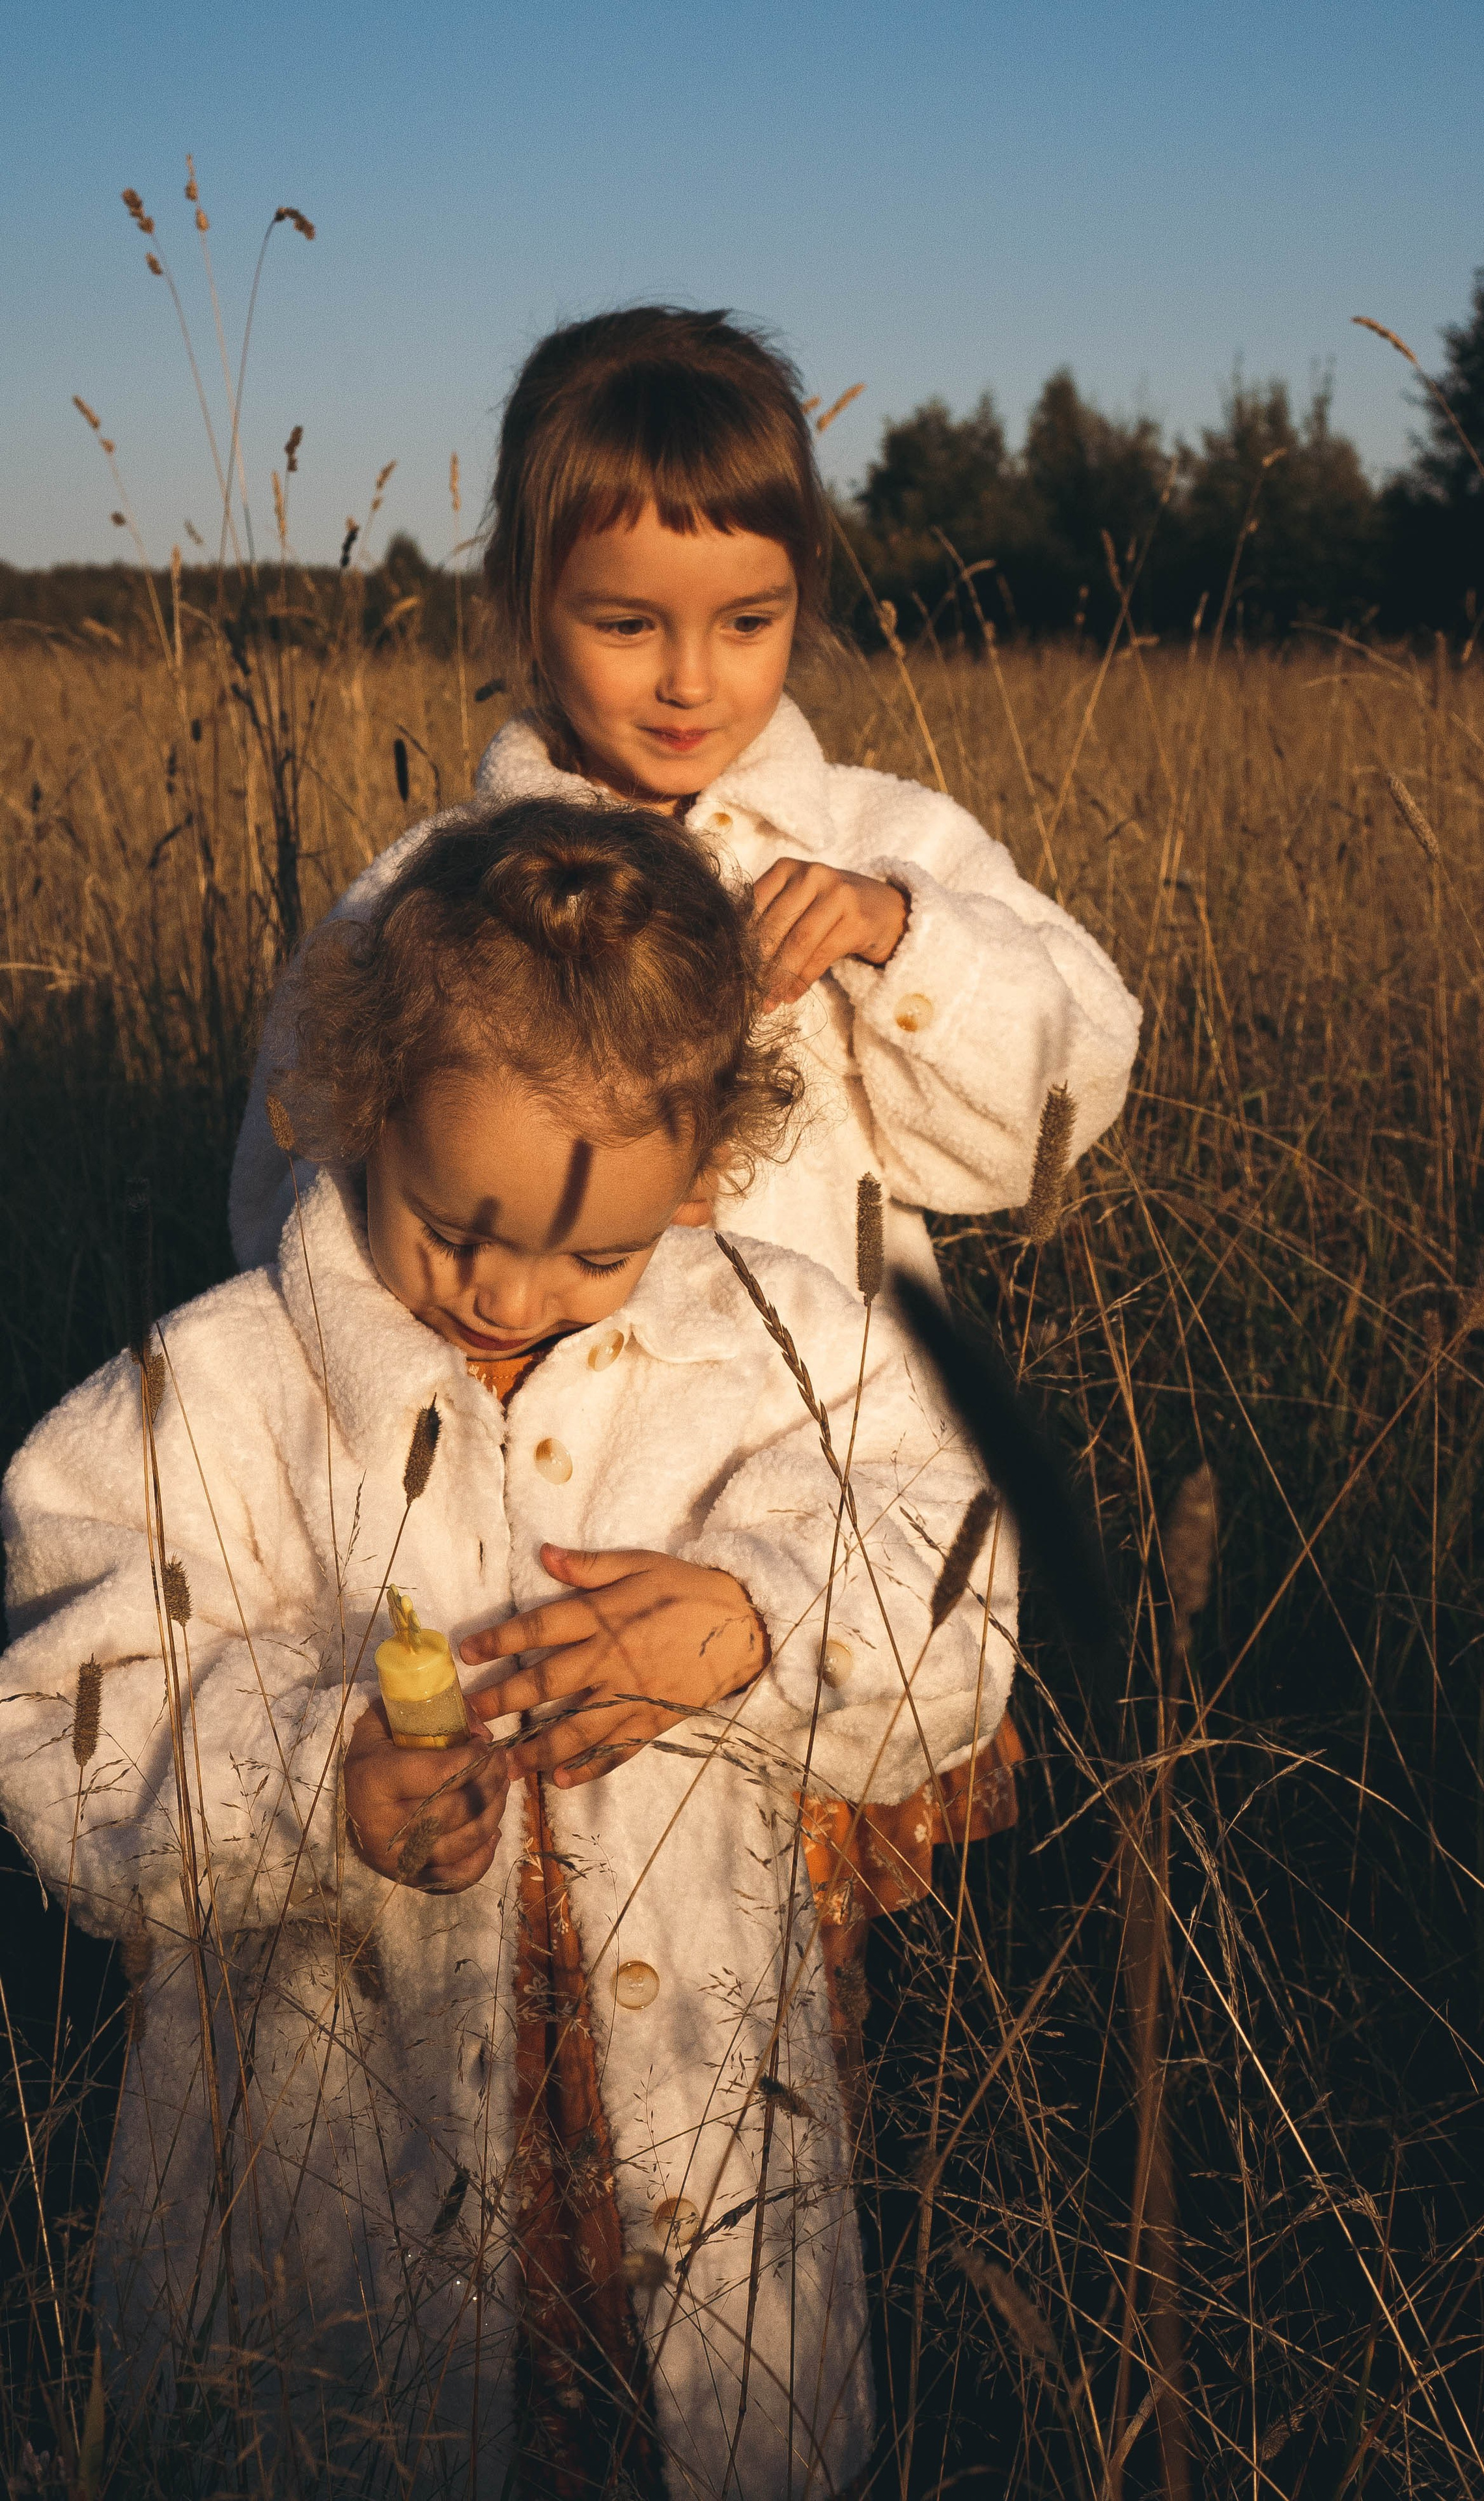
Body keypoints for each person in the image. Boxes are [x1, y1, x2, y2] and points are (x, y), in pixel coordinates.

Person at [0, 799, 1014, 2499]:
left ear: (700, 1174)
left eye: (592, 1249)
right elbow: (49, 1703)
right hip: (336, 2214)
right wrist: (312, 1775)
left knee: (710, 2432)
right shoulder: (219, 1394)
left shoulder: (785, 1354)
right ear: (367, 1106)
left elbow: (956, 1586)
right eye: (457, 1218)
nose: (508, 1287)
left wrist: (762, 1616)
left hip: (701, 2155)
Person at [229, 304, 1142, 1290]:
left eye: (748, 621)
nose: (691, 682)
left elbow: (1078, 1080)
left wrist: (902, 941)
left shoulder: (887, 847)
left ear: (807, 590)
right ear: (524, 601)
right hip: (540, 1434)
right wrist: (539, 1199)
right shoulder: (428, 893)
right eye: (629, 625)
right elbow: (277, 1201)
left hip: (839, 1421)